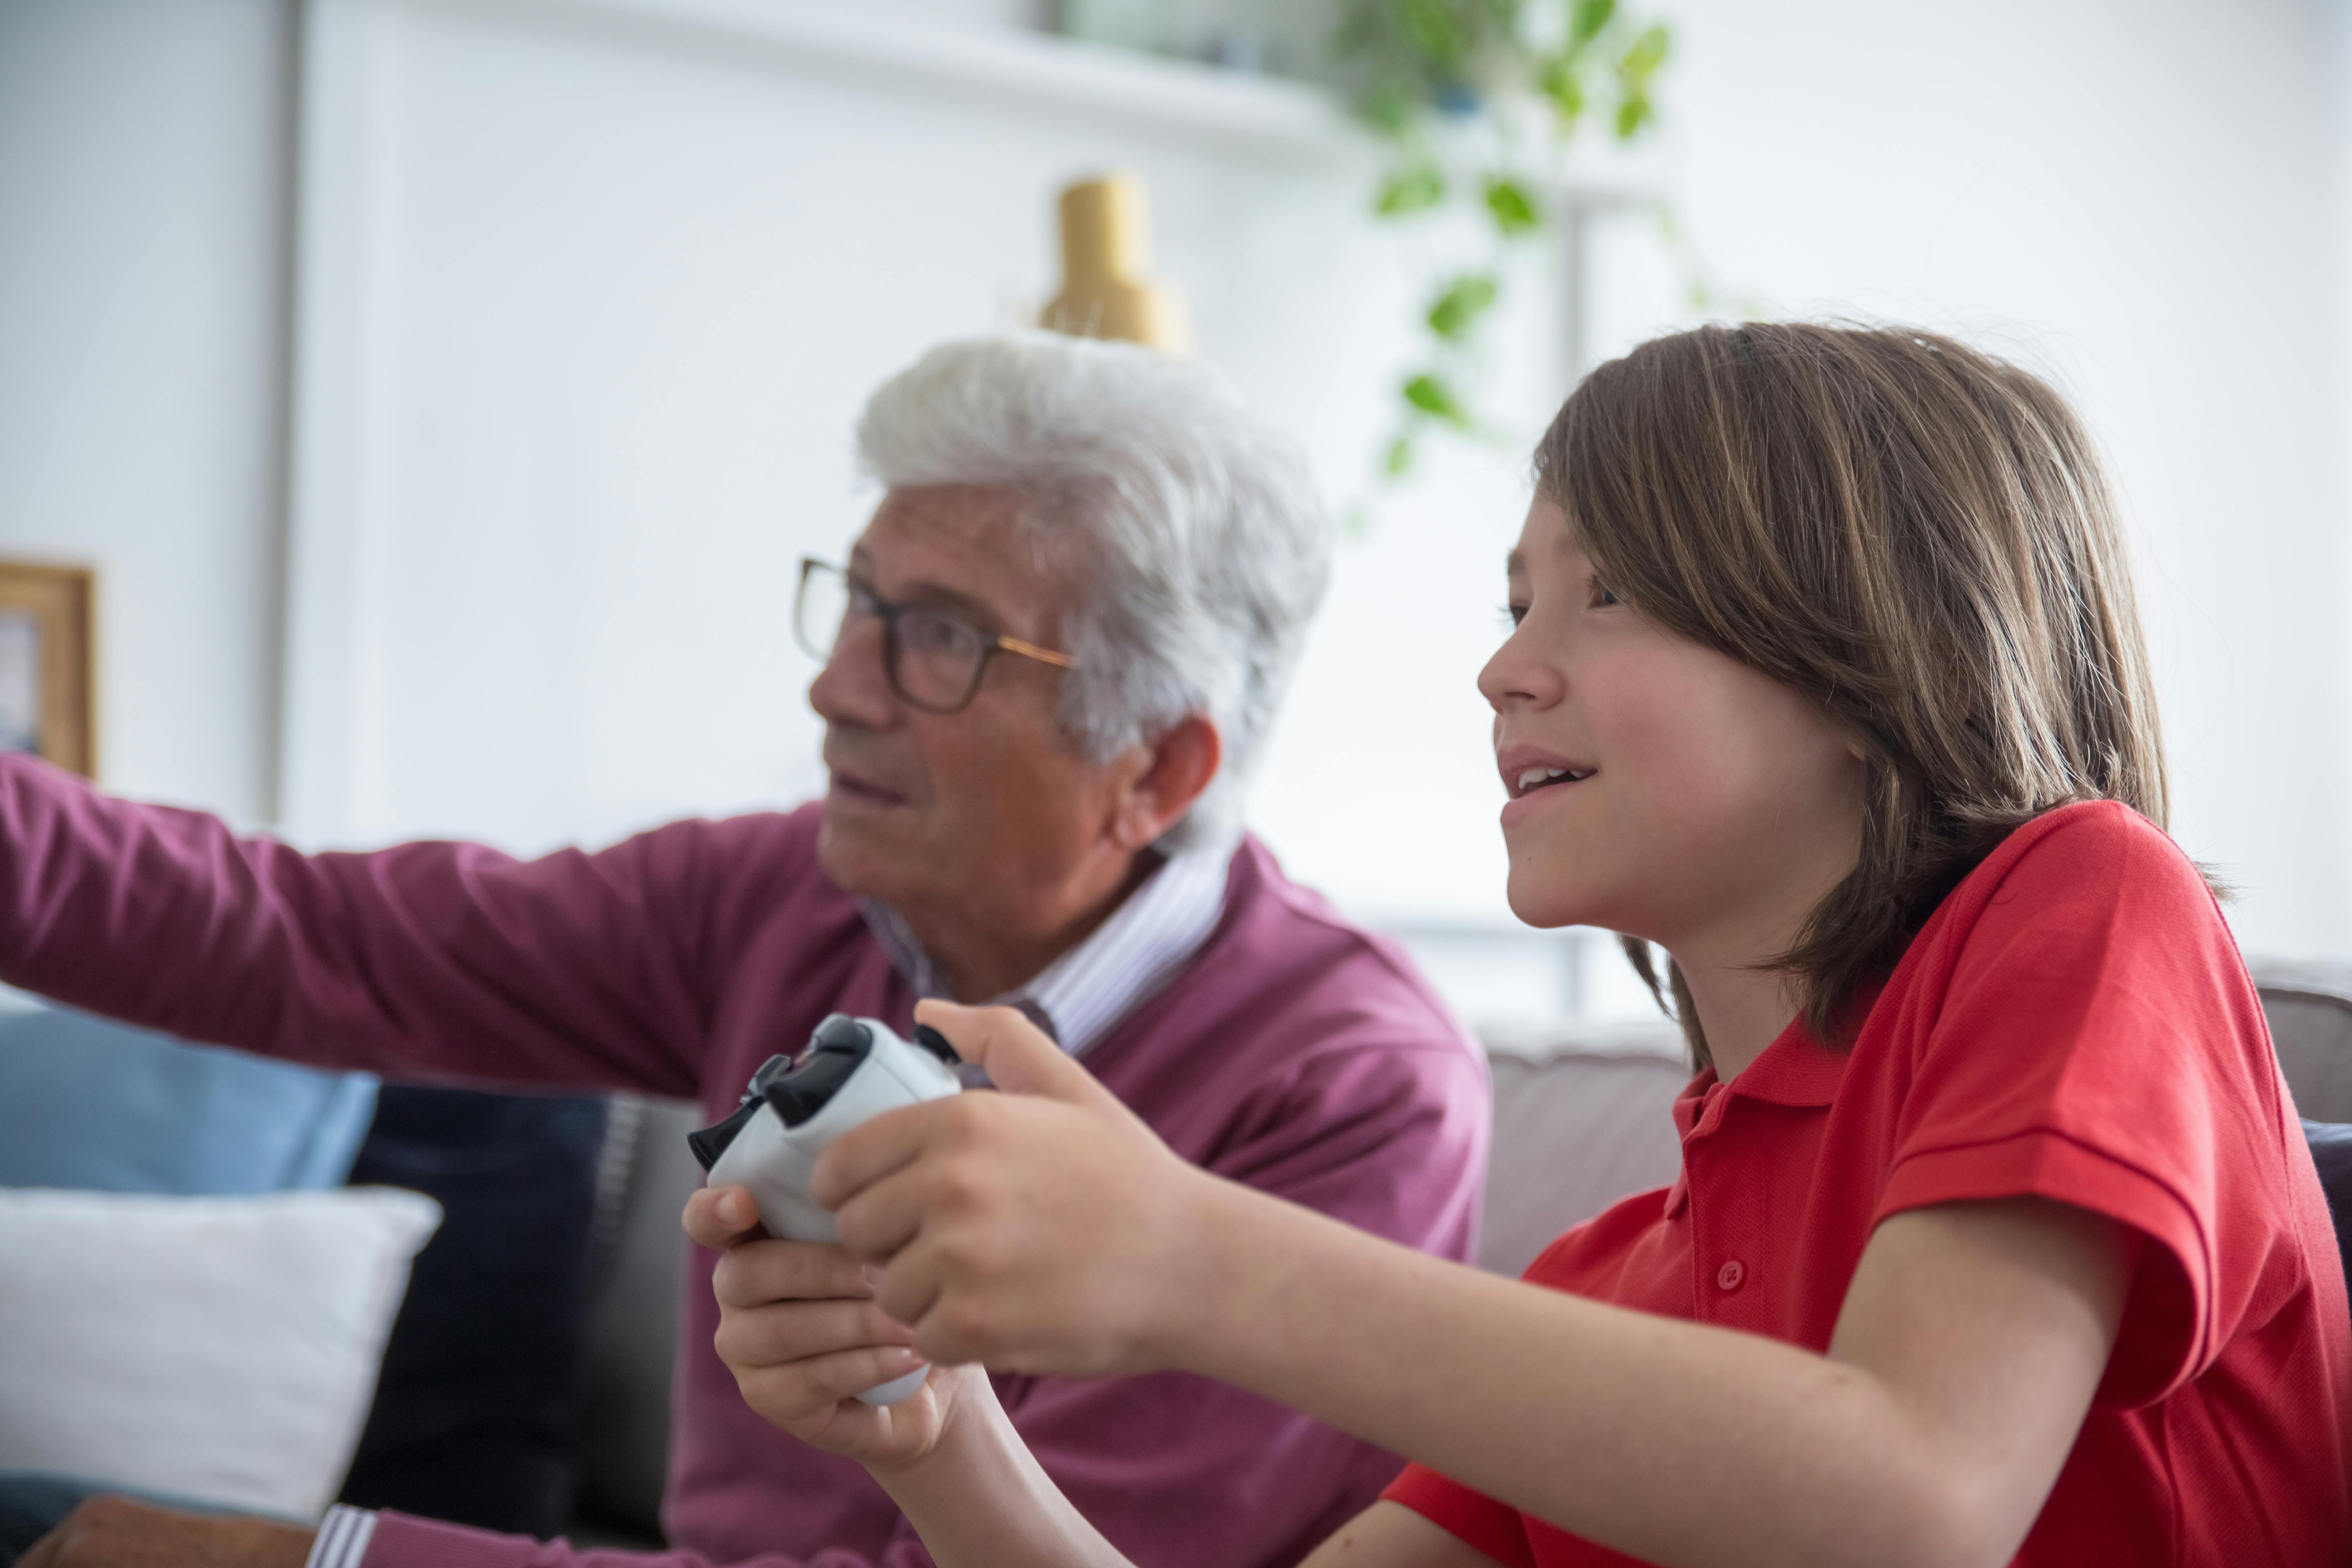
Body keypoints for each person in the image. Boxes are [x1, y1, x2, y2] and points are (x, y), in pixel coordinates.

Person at [690, 323, 2352, 1567]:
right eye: (1514, 603)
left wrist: (1186, 1261)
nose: (1506, 672)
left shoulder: (2089, 906)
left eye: (1607, 592)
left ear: (1871, 658)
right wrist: (937, 1437)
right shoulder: (1612, 1291)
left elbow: (1911, 1504)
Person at [4, 334, 1491, 1568]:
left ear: (1158, 769)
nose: (839, 688)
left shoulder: (1354, 1094)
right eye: (856, 603)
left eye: (940, 638)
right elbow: (305, 940)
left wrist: (321, 1558)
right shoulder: (782, 896)